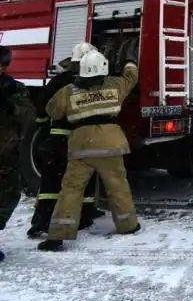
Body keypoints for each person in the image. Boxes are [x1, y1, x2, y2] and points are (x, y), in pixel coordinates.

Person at [38, 50, 141, 252]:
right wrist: (129, 62)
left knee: (71, 189)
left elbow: (52, 110)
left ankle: (58, 235)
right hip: (111, 145)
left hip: (81, 146)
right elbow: (131, 77)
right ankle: (128, 225)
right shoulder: (115, 85)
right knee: (118, 186)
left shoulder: (68, 91)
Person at [27, 43, 104, 238]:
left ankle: (41, 221)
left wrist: (44, 126)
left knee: (51, 180)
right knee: (84, 175)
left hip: (58, 139)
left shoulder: (60, 81)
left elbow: (42, 104)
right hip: (82, 139)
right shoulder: (94, 82)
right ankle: (85, 216)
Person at [0, 45, 36, 261]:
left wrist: (10, 106)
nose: (3, 69)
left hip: (6, 154)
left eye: (5, 65)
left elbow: (30, 115)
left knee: (9, 197)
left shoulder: (13, 88)